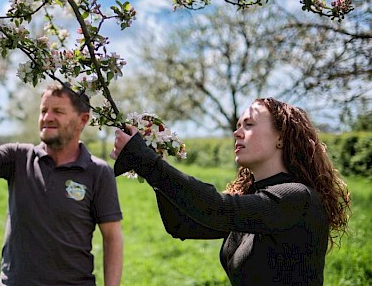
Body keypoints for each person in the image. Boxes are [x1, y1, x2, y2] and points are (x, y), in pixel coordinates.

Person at [110, 97, 350, 285]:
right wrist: (154, 165)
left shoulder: (297, 198)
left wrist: (148, 163)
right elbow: (181, 225)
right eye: (237, 126)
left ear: (281, 137)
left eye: (249, 124)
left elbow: (217, 208)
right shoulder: (256, 199)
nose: (237, 133)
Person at [0, 82, 123, 286]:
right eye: (44, 110)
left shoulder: (98, 172)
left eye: (58, 111)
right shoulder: (18, 158)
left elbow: (112, 237)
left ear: (82, 120)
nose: (47, 117)